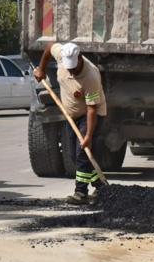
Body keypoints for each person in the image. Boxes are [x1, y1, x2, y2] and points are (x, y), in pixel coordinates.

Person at [34, 42, 107, 205]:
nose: (71, 72)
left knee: (82, 153)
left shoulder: (91, 77)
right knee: (75, 156)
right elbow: (48, 48)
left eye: (73, 68)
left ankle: (80, 193)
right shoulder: (61, 54)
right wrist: (41, 69)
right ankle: (101, 187)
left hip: (91, 115)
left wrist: (88, 135)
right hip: (71, 115)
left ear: (80, 58)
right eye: (69, 68)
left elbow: (92, 109)